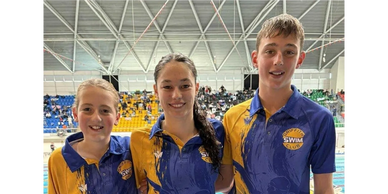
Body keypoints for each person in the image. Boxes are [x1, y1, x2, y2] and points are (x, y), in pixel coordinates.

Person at [222, 13, 336, 194]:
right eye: (270, 51)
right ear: (255, 58)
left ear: (300, 59)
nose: (279, 61)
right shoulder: (232, 117)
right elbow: (224, 183)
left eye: (289, 52)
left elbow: (324, 189)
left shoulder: (319, 119)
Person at [130, 53, 234, 194]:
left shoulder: (217, 131)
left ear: (196, 88)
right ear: (156, 90)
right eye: (167, 87)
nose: (176, 95)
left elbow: (225, 182)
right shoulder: (140, 139)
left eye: (185, 86)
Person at [47, 78, 138, 194]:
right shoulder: (59, 160)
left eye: (105, 110)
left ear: (117, 117)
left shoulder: (131, 149)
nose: (96, 118)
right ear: (75, 114)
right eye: (87, 109)